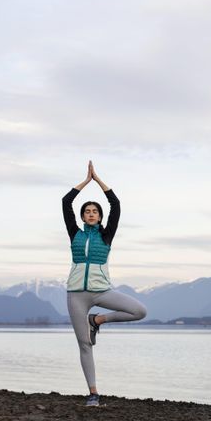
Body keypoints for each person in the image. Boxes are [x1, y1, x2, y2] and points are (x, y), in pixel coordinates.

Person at [62, 160, 147, 407]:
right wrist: (84, 183)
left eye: (94, 211)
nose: (91, 214)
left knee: (140, 311)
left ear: (99, 217)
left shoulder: (106, 234)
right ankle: (93, 393)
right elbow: (66, 203)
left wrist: (98, 181)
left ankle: (96, 320)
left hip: (102, 291)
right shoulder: (74, 233)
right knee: (84, 344)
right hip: (76, 294)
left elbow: (116, 205)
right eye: (87, 211)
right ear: (82, 216)